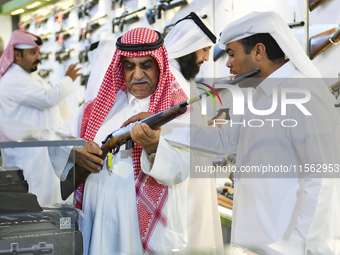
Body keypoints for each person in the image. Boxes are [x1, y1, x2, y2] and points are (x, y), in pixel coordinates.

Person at [176, 11, 340, 254]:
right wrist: (164, 134)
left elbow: (322, 180)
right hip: (257, 244)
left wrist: (294, 247)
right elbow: (224, 140)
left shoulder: (302, 94)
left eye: (231, 54)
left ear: (259, 51)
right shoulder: (255, 93)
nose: (228, 63)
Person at [49, 27, 191, 255]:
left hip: (137, 231)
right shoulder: (98, 107)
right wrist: (75, 151)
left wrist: (154, 146)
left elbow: (182, 169)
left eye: (146, 65)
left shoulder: (177, 110)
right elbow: (57, 136)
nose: (137, 75)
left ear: (159, 65)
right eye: (129, 66)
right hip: (96, 219)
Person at [164, 12, 224, 254]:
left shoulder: (180, 76)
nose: (207, 57)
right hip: (180, 179)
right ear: (189, 46)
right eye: (204, 50)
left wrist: (205, 125)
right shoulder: (169, 78)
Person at [0, 29, 82, 205]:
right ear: (16, 55)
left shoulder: (28, 76)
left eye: (38, 52)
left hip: (37, 152)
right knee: (33, 202)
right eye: (32, 53)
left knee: (45, 201)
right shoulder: (13, 80)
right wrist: (69, 78)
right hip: (27, 155)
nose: (38, 57)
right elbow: (48, 98)